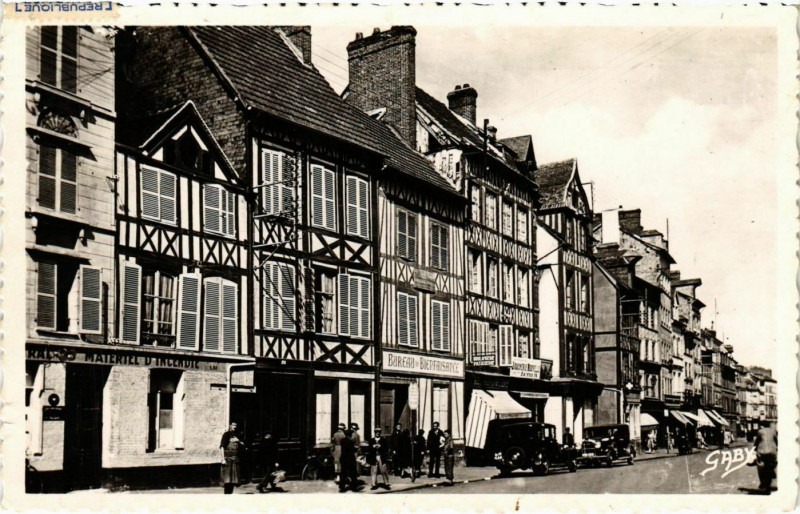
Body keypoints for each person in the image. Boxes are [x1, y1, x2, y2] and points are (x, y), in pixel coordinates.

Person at [753, 421, 778, 493]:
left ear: (763, 425)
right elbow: (776, 440)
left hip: (762, 452)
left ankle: (762, 483)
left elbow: (757, 441)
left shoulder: (760, 431)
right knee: (772, 464)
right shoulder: (773, 431)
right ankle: (772, 474)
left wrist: (754, 448)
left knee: (760, 466)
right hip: (772, 452)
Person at [220, 422, 244, 494]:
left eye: (236, 425)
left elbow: (243, 445)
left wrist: (238, 441)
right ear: (230, 426)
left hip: (235, 459)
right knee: (227, 480)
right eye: (233, 425)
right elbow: (222, 447)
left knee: (233, 480)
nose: (235, 427)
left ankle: (230, 494)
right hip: (228, 459)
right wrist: (223, 459)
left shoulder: (238, 435)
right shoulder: (226, 435)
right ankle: (226, 494)